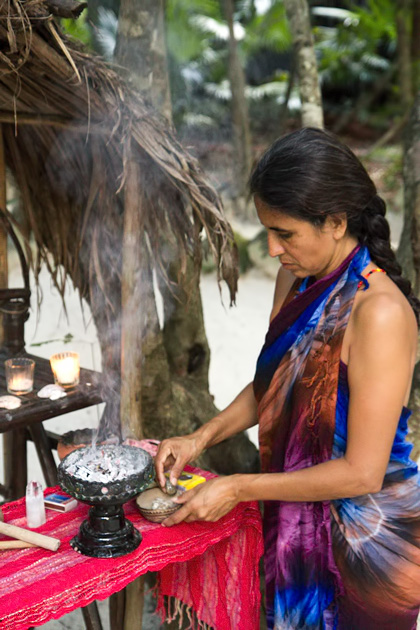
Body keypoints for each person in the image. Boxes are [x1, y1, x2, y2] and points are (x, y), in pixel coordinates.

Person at [154, 127, 420, 630]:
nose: (273, 249)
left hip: (367, 548)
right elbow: (273, 387)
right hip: (296, 521)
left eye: (285, 233)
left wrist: (237, 487)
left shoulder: (379, 313)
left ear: (337, 222)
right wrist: (199, 437)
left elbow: (363, 473)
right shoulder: (295, 278)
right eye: (266, 231)